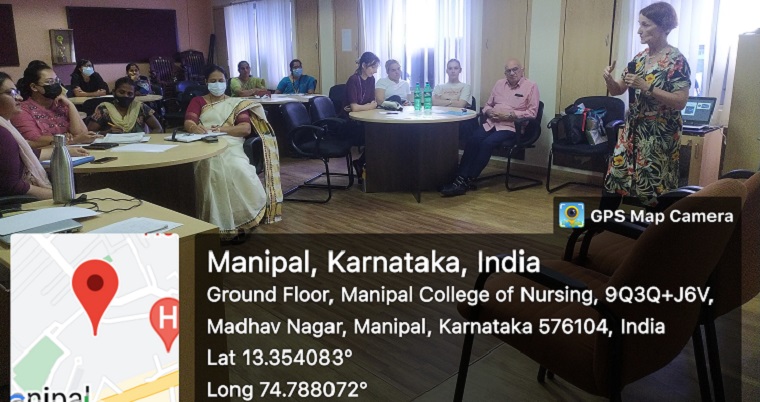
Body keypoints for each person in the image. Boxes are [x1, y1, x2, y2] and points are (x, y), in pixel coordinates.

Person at [602, 1, 690, 208]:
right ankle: (600, 224)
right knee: (615, 178)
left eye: (646, 25)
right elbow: (618, 90)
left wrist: (647, 87)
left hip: (658, 134)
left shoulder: (676, 60)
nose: (639, 31)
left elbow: (680, 101)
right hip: (631, 131)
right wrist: (609, 79)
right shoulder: (639, 59)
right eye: (639, 24)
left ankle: (655, 228)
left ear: (664, 27)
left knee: (654, 186)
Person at [184, 65, 282, 240]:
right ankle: (216, 222)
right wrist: (194, 128)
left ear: (226, 82)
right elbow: (189, 122)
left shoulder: (236, 103)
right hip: (204, 143)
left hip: (231, 144)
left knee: (237, 168)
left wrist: (220, 129)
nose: (217, 84)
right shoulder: (198, 101)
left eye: (221, 80)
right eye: (213, 81)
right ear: (206, 82)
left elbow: (244, 128)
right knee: (210, 169)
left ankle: (241, 218)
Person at [440, 59, 539, 197]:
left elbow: (532, 113)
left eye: (515, 69)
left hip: (511, 127)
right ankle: (459, 176)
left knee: (487, 143)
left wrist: (510, 115)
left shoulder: (531, 86)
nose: (512, 73)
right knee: (473, 140)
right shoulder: (499, 84)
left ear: (522, 70)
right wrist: (488, 111)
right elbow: (487, 105)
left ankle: (467, 180)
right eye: (508, 71)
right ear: (505, 73)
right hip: (491, 123)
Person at [0, 72, 89, 199]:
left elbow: (28, 153)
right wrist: (60, 196)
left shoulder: (6, 125)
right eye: (11, 93)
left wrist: (65, 151)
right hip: (15, 203)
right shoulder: (3, 133)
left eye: (17, 91)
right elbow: (11, 186)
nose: (19, 97)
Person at [12, 63, 100, 148]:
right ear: (34, 87)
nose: (55, 84)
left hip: (74, 152)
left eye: (57, 80)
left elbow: (82, 134)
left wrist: (70, 105)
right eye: (50, 81)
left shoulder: (61, 104)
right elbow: (34, 140)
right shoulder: (22, 110)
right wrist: (74, 140)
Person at [342, 51, 380, 180]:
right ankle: (361, 164)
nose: (375, 71)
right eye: (373, 67)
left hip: (362, 119)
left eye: (376, 67)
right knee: (375, 136)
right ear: (363, 65)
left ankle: (361, 164)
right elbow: (354, 107)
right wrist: (368, 106)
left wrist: (366, 106)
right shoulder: (353, 80)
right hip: (349, 123)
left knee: (379, 134)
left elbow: (372, 102)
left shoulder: (371, 79)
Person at [87, 77, 162, 134]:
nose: (125, 96)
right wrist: (107, 132)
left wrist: (147, 141)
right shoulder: (104, 109)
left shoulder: (140, 107)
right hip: (111, 147)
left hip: (138, 147)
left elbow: (158, 128)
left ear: (134, 96)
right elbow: (89, 133)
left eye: (130, 94)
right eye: (121, 92)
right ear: (114, 92)